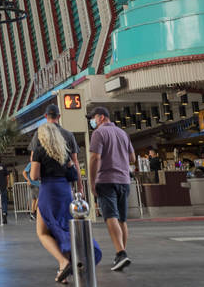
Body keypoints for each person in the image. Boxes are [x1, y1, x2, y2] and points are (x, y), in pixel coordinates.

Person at [32, 121, 84, 283]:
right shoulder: (64, 152)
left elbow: (34, 176)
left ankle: (63, 262)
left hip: (48, 190)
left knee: (42, 232)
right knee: (64, 229)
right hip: (65, 191)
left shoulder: (39, 151)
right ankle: (63, 272)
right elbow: (73, 175)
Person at [87, 105, 135, 273]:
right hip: (124, 181)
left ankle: (121, 253)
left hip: (106, 180)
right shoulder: (123, 133)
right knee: (122, 219)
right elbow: (132, 157)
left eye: (93, 118)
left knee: (110, 216)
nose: (92, 121)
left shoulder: (99, 133)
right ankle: (121, 253)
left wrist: (92, 182)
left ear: (101, 117)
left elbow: (94, 158)